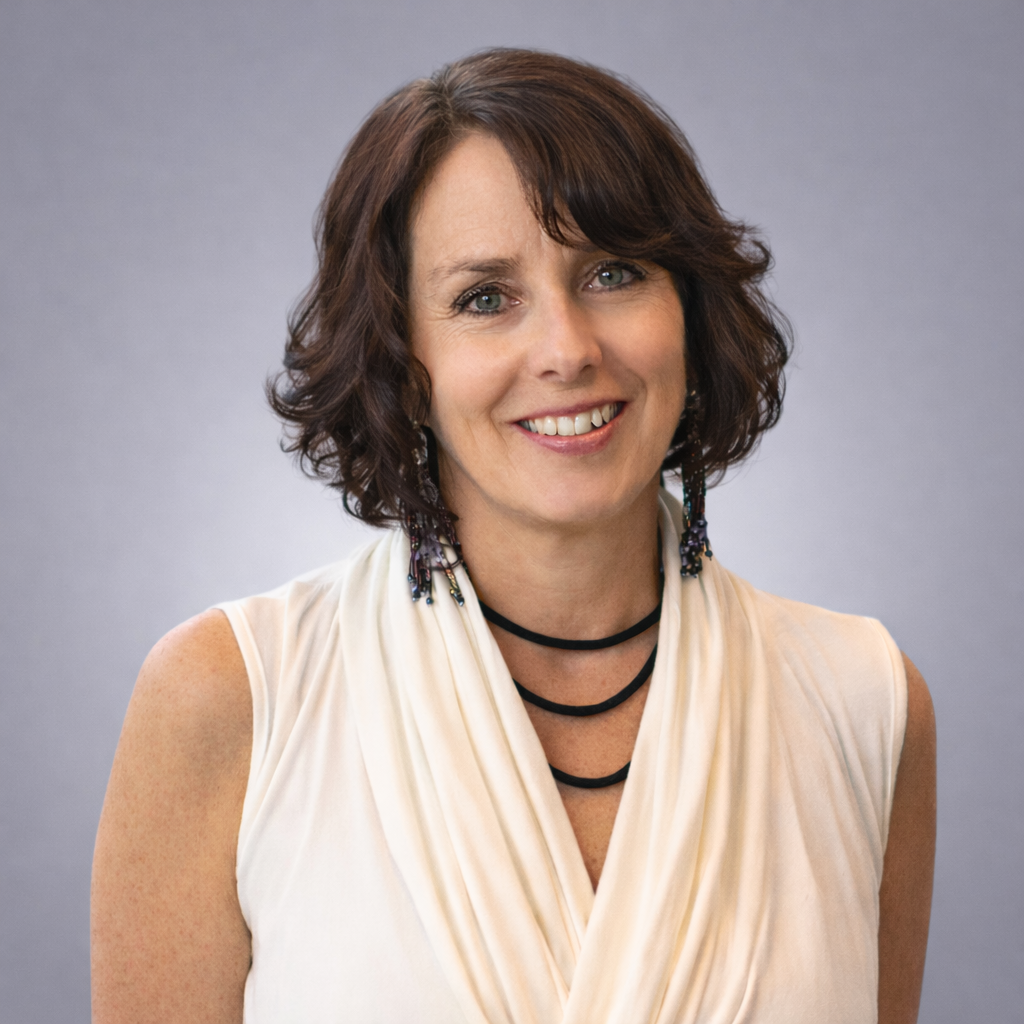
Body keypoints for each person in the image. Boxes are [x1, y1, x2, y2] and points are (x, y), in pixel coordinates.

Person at [90, 48, 935, 1024]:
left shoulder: (867, 703)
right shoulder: (230, 699)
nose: (568, 348)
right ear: (404, 363)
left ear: (689, 314)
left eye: (613, 272)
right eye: (485, 297)